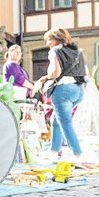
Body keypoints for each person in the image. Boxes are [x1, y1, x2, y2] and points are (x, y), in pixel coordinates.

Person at [36, 27, 88, 162]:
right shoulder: (77, 52)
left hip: (63, 90)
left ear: (56, 39)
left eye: (49, 39)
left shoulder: (55, 51)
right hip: (78, 90)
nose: (48, 43)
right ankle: (53, 151)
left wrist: (46, 78)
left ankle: (77, 154)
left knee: (65, 123)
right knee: (56, 120)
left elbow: (55, 73)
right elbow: (84, 73)